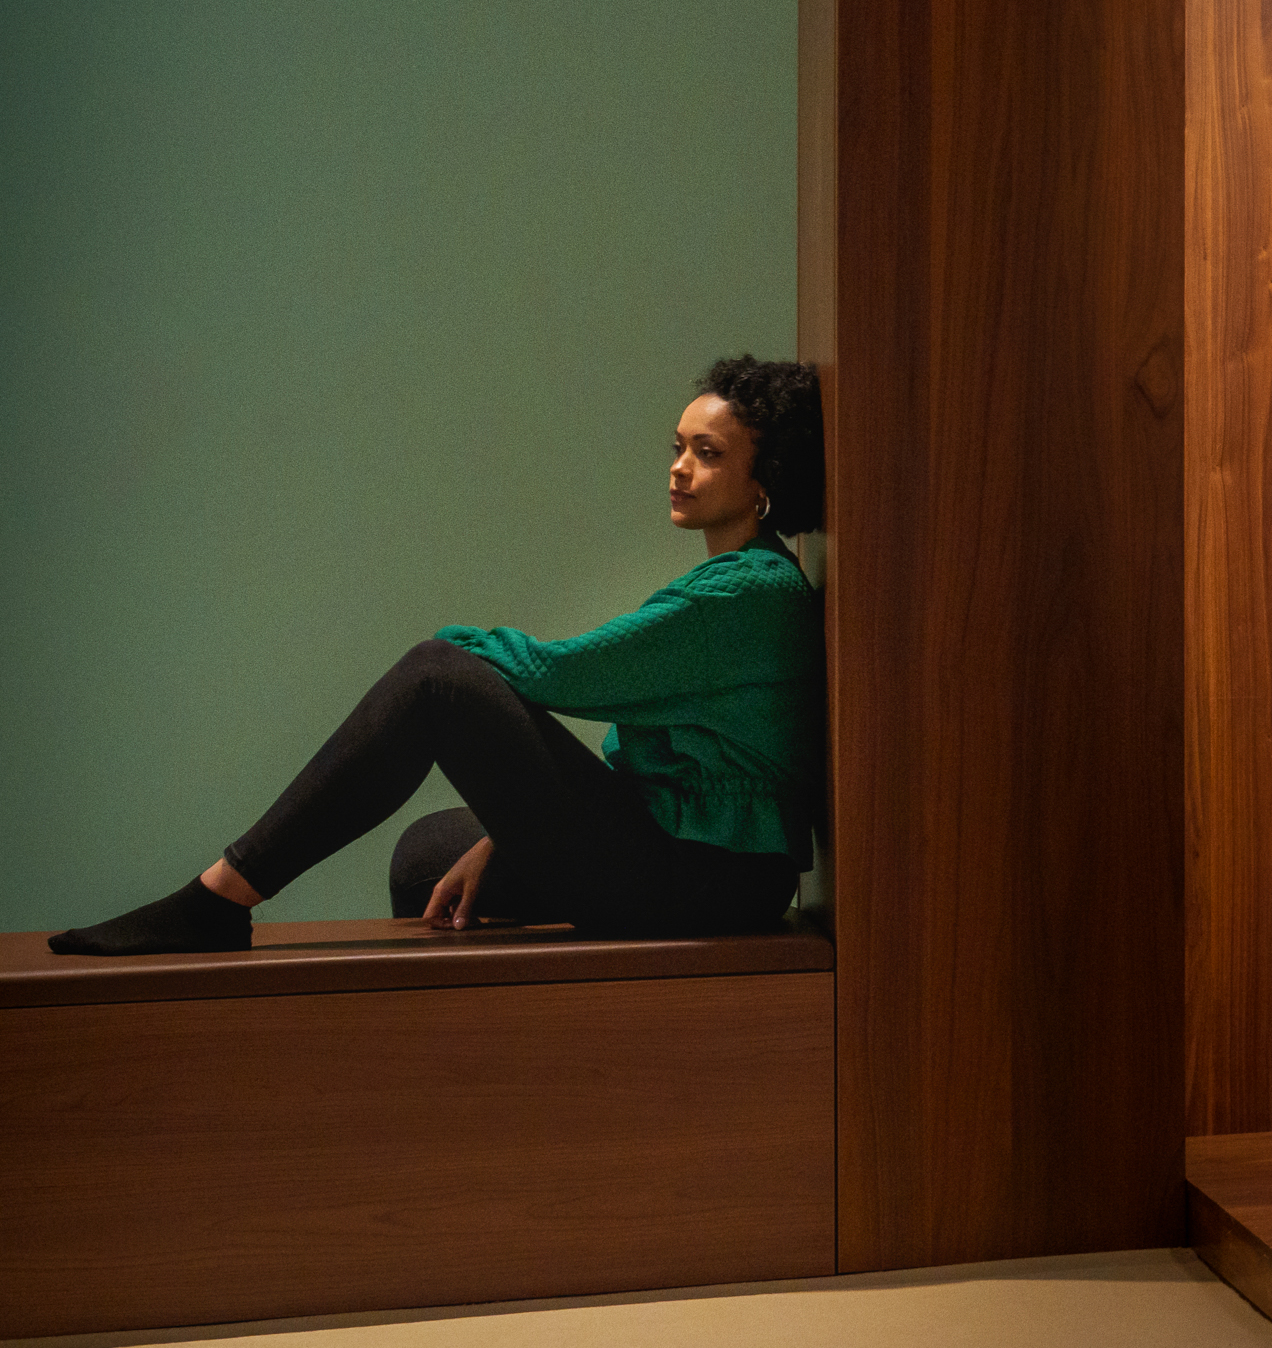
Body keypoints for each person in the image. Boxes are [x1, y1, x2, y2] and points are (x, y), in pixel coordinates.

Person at [51, 357, 828, 954]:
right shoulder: (740, 581)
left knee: (436, 683)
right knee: (427, 858)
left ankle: (216, 901)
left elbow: (563, 673)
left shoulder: (749, 595)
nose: (679, 466)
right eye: (678, 446)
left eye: (709, 453)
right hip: (691, 855)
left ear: (763, 484)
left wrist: (452, 650)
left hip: (704, 880)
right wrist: (507, 829)